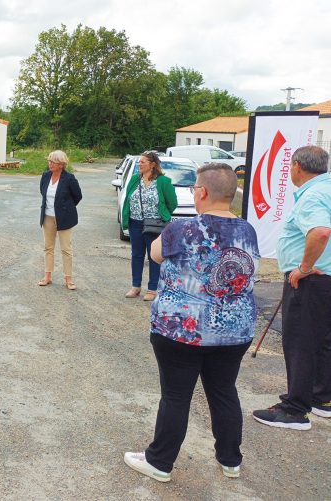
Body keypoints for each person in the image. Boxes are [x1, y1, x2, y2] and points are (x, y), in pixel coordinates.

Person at [124, 163, 260, 482]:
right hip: (233, 331)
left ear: (202, 192)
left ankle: (159, 462)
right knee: (224, 391)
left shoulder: (181, 228)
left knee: (176, 396)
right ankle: (230, 460)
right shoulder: (247, 230)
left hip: (180, 330)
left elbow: (155, 254)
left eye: (194, 189)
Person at [253, 145, 331, 430]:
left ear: (297, 165)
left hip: (311, 281)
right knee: (323, 340)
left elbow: (321, 231)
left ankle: (295, 409)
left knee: (300, 342)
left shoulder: (313, 195)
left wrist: (305, 267)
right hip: (325, 280)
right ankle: (322, 398)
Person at [121, 151, 177, 301]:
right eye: (139, 162)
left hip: (155, 225)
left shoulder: (163, 182)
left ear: (152, 165)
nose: (140, 164)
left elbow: (172, 203)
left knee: (154, 257)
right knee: (136, 255)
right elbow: (127, 199)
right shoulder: (134, 180)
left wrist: (163, 215)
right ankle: (135, 286)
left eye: (143, 162)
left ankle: (152, 289)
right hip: (135, 223)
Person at [38, 150, 82, 290]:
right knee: (48, 247)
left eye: (53, 162)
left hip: (64, 218)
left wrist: (65, 208)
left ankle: (68, 279)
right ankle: (47, 277)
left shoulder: (69, 178)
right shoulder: (45, 176)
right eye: (49, 161)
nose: (49, 164)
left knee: (66, 249)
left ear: (61, 164)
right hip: (47, 217)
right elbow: (42, 192)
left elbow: (78, 196)